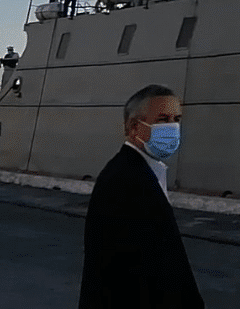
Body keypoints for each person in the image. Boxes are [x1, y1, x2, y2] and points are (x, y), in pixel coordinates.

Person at [78, 84, 203, 309]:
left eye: (177, 119)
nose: (173, 127)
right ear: (134, 127)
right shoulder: (124, 181)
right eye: (163, 119)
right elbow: (132, 271)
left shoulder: (137, 172)